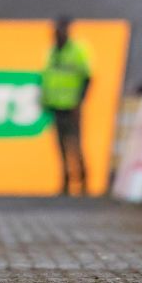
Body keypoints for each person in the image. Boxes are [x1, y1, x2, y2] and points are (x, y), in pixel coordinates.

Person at [40, 16, 90, 196]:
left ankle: (83, 182)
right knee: (60, 146)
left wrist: (79, 101)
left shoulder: (77, 51)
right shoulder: (52, 52)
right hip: (55, 107)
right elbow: (46, 79)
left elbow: (87, 78)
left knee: (75, 145)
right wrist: (44, 100)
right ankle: (65, 183)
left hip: (72, 107)